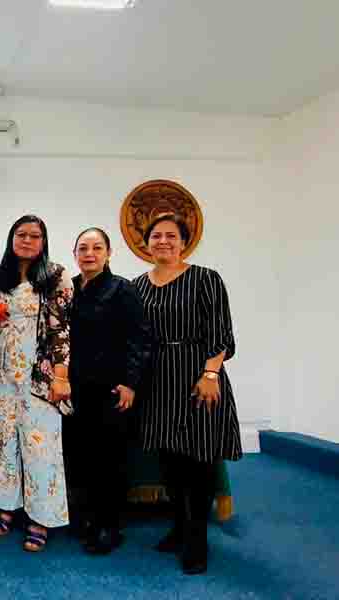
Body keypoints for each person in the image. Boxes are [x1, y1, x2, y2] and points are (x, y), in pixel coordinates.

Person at [133, 212, 241, 575]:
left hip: (198, 378)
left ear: (184, 241)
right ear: (146, 243)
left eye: (170, 236)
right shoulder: (138, 285)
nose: (163, 241)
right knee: (170, 463)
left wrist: (211, 373)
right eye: (156, 236)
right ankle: (179, 527)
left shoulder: (206, 279)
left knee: (199, 461)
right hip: (157, 381)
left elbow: (221, 333)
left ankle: (197, 540)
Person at [0, 214, 73, 552]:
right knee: (5, 443)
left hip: (40, 377)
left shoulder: (57, 276)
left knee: (40, 447)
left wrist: (61, 376)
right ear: (11, 238)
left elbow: (62, 330)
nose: (27, 240)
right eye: (21, 234)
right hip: (2, 374)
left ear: (43, 241)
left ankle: (40, 518)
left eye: (34, 236)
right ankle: (5, 505)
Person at [68, 227, 150, 555]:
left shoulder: (122, 290)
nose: (89, 254)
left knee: (110, 460)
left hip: (113, 389)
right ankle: (87, 518)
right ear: (74, 254)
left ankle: (110, 525)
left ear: (108, 253)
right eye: (83, 248)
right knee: (81, 457)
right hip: (76, 389)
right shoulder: (69, 288)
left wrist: (131, 383)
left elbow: (139, 339)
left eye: (96, 248)